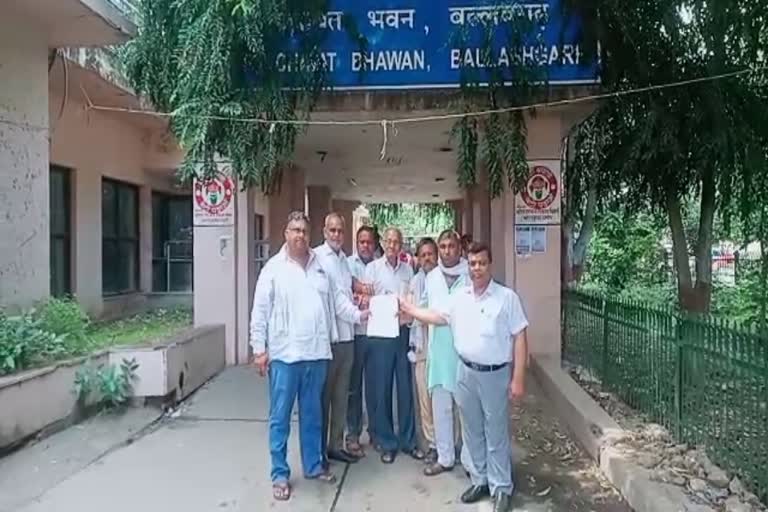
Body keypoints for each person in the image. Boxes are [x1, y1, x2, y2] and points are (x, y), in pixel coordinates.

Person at [400, 242, 529, 512]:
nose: (477, 268)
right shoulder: (461, 297)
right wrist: (410, 310)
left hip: (494, 374)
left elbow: (519, 336)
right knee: (472, 432)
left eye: (482, 263)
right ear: (467, 266)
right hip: (465, 373)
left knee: (495, 432)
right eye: (473, 263)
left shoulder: (506, 298)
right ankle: (481, 480)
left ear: (489, 265)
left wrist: (518, 377)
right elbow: (436, 316)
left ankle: (501, 487)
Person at [250, 211, 369, 502]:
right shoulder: (273, 269)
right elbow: (260, 311)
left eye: (304, 230)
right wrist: (259, 349)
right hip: (284, 356)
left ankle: (314, 465)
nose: (300, 235)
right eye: (295, 230)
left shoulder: (320, 266)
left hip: (316, 353)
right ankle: (279, 472)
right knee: (279, 417)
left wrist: (361, 314)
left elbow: (338, 300)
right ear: (285, 233)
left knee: (313, 415)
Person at [364, 227, 425, 464]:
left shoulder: (408, 269)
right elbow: (367, 299)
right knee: (383, 388)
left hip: (401, 333)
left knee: (405, 388)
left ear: (401, 246)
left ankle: (409, 441)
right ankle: (387, 442)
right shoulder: (372, 269)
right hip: (380, 336)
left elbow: (410, 299)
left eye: (396, 242)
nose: (392, 245)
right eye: (388, 241)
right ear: (383, 243)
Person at [313, 212, 361, 465]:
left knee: (342, 396)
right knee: (324, 399)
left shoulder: (344, 260)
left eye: (340, 230)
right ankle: (319, 451)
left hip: (347, 339)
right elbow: (338, 301)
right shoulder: (319, 258)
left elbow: (347, 291)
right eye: (332, 230)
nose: (336, 235)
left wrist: (361, 292)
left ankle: (335, 445)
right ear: (324, 232)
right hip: (329, 341)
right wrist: (363, 314)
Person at [422, 230, 468, 477]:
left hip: (464, 355)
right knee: (441, 409)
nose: (447, 250)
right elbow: (423, 309)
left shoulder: (470, 275)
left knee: (467, 412)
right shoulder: (432, 277)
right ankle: (445, 457)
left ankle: (471, 461)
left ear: (460, 248)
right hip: (439, 354)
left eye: (451, 246)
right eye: (443, 246)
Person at [346, 225, 377, 457]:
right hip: (355, 334)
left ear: (374, 244)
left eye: (369, 242)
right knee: (353, 388)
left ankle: (376, 431)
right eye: (362, 241)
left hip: (376, 334)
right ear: (357, 243)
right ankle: (353, 433)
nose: (365, 245)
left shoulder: (380, 266)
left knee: (375, 388)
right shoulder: (346, 265)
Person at [408, 237, 438, 463]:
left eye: (431, 253)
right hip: (422, 346)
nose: (427, 258)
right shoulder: (414, 282)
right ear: (417, 258)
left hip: (444, 347)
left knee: (445, 398)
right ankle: (433, 444)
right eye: (423, 254)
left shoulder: (444, 279)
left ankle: (449, 442)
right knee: (425, 400)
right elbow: (410, 316)